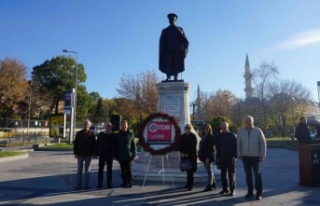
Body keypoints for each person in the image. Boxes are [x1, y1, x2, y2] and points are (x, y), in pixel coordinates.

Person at [237, 115, 266, 200]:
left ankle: (259, 193)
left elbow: (263, 143)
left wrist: (262, 154)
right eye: (246, 121)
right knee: (248, 175)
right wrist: (239, 154)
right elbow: (238, 143)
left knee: (257, 175)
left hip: (256, 157)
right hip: (245, 157)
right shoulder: (241, 131)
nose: (248, 122)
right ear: (245, 122)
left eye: (250, 121)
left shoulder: (258, 131)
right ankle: (250, 192)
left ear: (252, 122)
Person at [159, 13, 189, 81]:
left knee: (176, 64)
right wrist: (162, 51)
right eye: (170, 19)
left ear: (175, 20)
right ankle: (168, 77)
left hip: (177, 51)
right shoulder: (165, 30)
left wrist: (185, 51)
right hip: (167, 51)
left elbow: (185, 41)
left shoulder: (179, 29)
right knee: (168, 64)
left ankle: (176, 78)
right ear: (169, 20)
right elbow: (162, 42)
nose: (171, 20)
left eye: (173, 19)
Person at [73, 119, 97, 190]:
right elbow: (76, 144)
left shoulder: (92, 134)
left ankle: (87, 185)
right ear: (83, 125)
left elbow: (94, 145)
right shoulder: (79, 133)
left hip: (88, 154)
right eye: (85, 124)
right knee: (79, 170)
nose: (86, 126)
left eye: (88, 124)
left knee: (87, 170)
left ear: (90, 126)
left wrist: (94, 153)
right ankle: (79, 185)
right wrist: (75, 153)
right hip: (80, 154)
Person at [216, 122, 237, 196]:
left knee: (231, 175)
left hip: (230, 158)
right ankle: (225, 188)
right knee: (223, 175)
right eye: (222, 126)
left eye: (225, 126)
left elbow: (235, 147)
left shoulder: (232, 136)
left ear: (228, 127)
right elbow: (218, 148)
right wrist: (217, 159)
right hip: (222, 159)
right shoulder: (219, 136)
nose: (223, 128)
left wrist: (234, 157)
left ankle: (232, 189)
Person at [116, 120, 137, 188]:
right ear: (121, 126)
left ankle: (130, 182)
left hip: (128, 155)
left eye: (125, 124)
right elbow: (116, 145)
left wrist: (134, 154)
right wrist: (116, 155)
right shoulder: (118, 134)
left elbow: (133, 145)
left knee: (128, 170)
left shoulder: (131, 134)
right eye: (122, 125)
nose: (124, 126)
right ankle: (124, 182)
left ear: (127, 125)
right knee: (122, 170)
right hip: (121, 155)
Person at [198, 124, 217, 192]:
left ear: (209, 129)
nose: (206, 129)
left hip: (208, 156)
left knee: (209, 170)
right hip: (204, 156)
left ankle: (209, 185)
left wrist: (207, 157)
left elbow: (210, 148)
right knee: (209, 170)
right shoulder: (204, 136)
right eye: (205, 128)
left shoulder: (210, 137)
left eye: (207, 128)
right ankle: (213, 184)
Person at [96, 122, 116, 189]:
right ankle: (99, 184)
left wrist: (114, 155)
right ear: (105, 127)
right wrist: (96, 154)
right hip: (102, 155)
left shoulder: (113, 135)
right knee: (100, 170)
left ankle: (109, 184)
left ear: (111, 127)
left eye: (110, 126)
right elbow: (97, 144)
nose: (108, 127)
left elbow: (115, 146)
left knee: (109, 170)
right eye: (107, 126)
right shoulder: (100, 135)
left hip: (110, 155)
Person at [179, 124, 198, 191]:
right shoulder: (183, 136)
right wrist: (182, 153)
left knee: (191, 171)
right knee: (187, 170)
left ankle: (191, 184)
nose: (188, 129)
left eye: (189, 128)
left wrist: (187, 153)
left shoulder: (193, 136)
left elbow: (193, 146)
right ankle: (188, 183)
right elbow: (180, 145)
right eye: (186, 128)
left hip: (191, 156)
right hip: (184, 156)